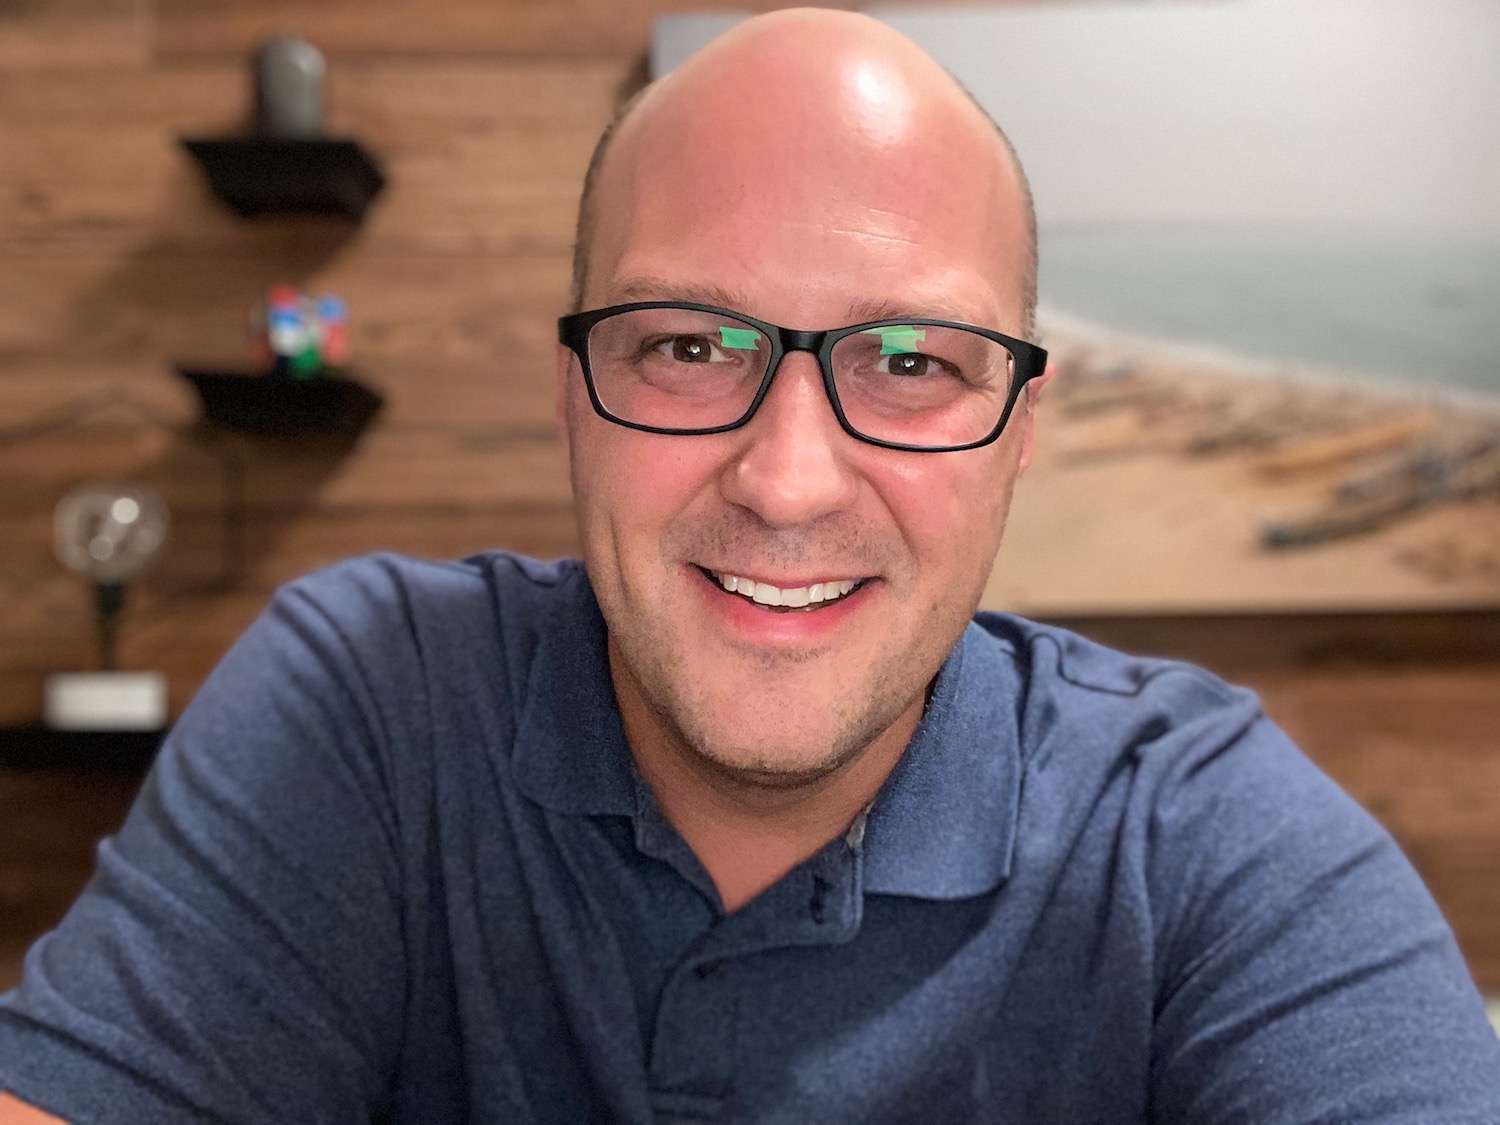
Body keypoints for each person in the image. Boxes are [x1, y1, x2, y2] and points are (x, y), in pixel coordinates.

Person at [2, 9, 1498, 1123]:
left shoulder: (1194, 835)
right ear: (574, 395)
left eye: (910, 360)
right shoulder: (378, 701)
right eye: (685, 345)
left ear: (1020, 431)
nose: (786, 481)